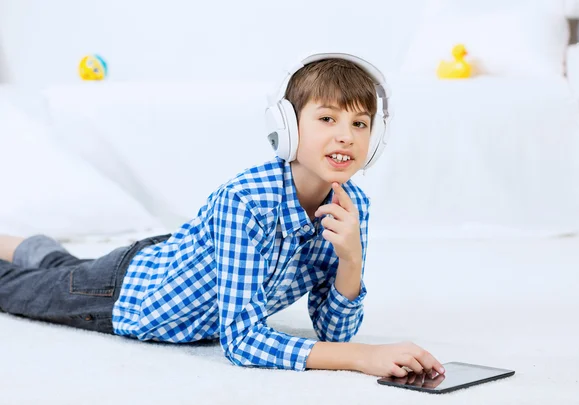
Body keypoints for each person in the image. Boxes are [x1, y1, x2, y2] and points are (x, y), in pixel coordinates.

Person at [0, 53, 445, 378]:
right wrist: (363, 359)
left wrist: (351, 260)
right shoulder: (248, 201)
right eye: (327, 119)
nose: (345, 136)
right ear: (287, 129)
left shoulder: (353, 206)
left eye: (360, 124)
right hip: (126, 293)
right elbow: (242, 342)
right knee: (17, 289)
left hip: (171, 259)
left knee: (65, 267)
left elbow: (332, 330)